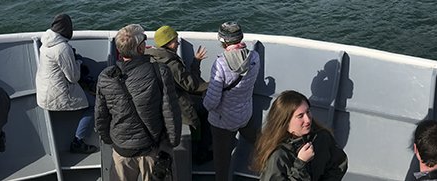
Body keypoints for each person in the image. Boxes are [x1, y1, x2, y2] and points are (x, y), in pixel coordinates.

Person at [95, 24, 182, 180]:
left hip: (122, 149)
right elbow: (170, 111)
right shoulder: (160, 71)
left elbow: (101, 116)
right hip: (152, 148)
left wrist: (111, 140)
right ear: (140, 49)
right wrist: (171, 143)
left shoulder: (106, 77)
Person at [202, 21, 260, 181]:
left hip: (223, 121)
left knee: (222, 160)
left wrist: (204, 101)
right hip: (245, 114)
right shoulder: (254, 57)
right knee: (256, 138)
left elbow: (212, 103)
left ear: (223, 41)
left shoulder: (220, 64)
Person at [144, 25, 211, 162]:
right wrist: (197, 63)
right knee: (199, 117)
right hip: (178, 103)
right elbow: (192, 85)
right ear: (168, 44)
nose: (178, 43)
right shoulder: (171, 64)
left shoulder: (152, 57)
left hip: (161, 102)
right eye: (175, 41)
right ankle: (198, 153)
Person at [35, 13, 99, 153]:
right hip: (56, 95)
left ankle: (87, 87)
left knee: (77, 58)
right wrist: (79, 63)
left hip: (44, 90)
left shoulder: (45, 43)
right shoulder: (62, 48)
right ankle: (78, 141)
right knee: (94, 105)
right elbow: (73, 78)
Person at [253, 90, 347, 181]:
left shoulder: (321, 137)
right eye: (300, 116)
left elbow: (339, 164)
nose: (308, 120)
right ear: (285, 121)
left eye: (308, 112)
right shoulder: (278, 155)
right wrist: (301, 163)